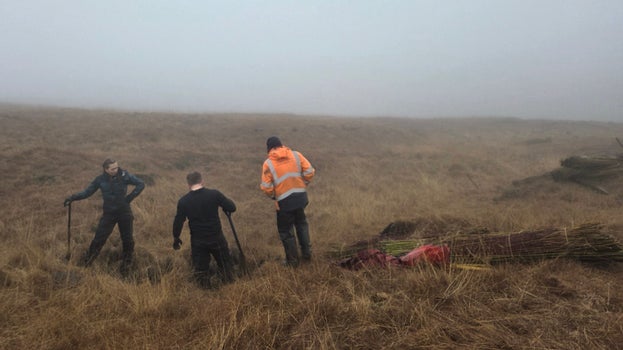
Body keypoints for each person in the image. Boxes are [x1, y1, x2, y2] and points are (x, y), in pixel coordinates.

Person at [64, 159, 145, 276]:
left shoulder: (124, 175)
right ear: (106, 169)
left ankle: (126, 266)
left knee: (127, 240)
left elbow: (141, 183)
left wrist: (130, 198)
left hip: (124, 212)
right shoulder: (100, 180)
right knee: (99, 239)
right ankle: (86, 264)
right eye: (113, 169)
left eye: (116, 167)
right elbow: (87, 192)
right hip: (109, 214)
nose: (116, 170)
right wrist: (72, 198)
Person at [172, 171, 236, 288]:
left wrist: (176, 237)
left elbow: (178, 221)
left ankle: (205, 293)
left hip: (198, 241)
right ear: (202, 181)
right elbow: (232, 207)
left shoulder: (184, 201)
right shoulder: (214, 194)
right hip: (216, 237)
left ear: (188, 184)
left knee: (201, 272)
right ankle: (229, 287)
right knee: (226, 265)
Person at [260, 136, 315, 266]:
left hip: (284, 202)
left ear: (269, 148)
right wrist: (303, 184)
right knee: (301, 224)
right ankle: (307, 255)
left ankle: (293, 261)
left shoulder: (268, 163)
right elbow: (309, 171)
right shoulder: (296, 155)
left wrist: (275, 196)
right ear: (281, 145)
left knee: (286, 231)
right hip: (301, 197)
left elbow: (266, 187)